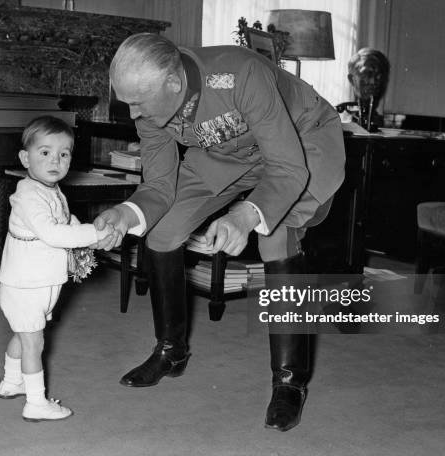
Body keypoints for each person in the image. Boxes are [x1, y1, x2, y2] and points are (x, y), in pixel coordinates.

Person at [94, 33, 345, 432]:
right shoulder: (151, 108)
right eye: (127, 101)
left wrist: (244, 216)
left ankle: (289, 382)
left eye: (138, 102)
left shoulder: (240, 74)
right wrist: (126, 214)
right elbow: (158, 185)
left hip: (301, 139)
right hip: (228, 154)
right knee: (161, 233)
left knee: (275, 235)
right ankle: (170, 351)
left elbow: (287, 167)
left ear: (174, 84)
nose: (133, 113)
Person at [0, 116, 114, 422]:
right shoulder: (28, 195)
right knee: (34, 341)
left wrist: (81, 227)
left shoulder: (50, 188)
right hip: (25, 284)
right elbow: (52, 233)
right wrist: (94, 234)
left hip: (39, 281)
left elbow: (63, 220)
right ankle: (36, 402)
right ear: (25, 158)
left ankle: (11, 382)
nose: (55, 161)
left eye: (64, 154)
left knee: (23, 334)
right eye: (45, 152)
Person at [337, 47, 390, 131]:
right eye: (367, 74)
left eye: (380, 76)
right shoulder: (338, 120)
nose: (374, 82)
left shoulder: (387, 123)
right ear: (352, 79)